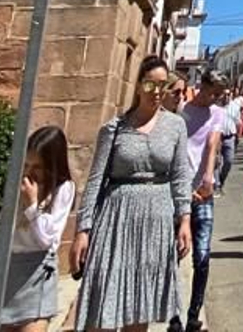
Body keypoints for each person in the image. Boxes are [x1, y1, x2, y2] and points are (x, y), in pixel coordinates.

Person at [74, 55, 194, 332]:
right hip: (117, 220)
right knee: (104, 303)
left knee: (140, 306)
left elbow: (180, 175)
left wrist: (185, 219)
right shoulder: (114, 129)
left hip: (156, 222)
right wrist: (83, 229)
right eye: (151, 85)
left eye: (163, 86)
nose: (157, 92)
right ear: (139, 85)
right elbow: (96, 180)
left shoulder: (176, 126)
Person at [0, 126, 77, 332]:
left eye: (37, 167)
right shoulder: (17, 188)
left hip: (37, 278)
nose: (29, 172)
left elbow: (46, 240)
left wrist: (32, 206)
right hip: (9, 275)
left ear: (51, 166)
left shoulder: (63, 190)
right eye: (27, 164)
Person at [176, 70, 227, 332]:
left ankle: (193, 315)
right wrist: (184, 188)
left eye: (219, 94)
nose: (215, 98)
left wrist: (208, 177)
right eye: (213, 92)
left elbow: (212, 143)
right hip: (180, 191)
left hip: (203, 194)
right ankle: (174, 315)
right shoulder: (181, 111)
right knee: (174, 255)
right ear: (202, 86)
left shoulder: (217, 113)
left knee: (203, 256)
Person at [220, 88, 243, 191]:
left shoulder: (234, 107)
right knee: (216, 163)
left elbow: (239, 123)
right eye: (224, 94)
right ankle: (216, 185)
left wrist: (238, 136)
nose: (226, 96)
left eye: (228, 94)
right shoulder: (216, 106)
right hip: (217, 138)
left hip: (229, 137)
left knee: (228, 161)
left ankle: (221, 179)